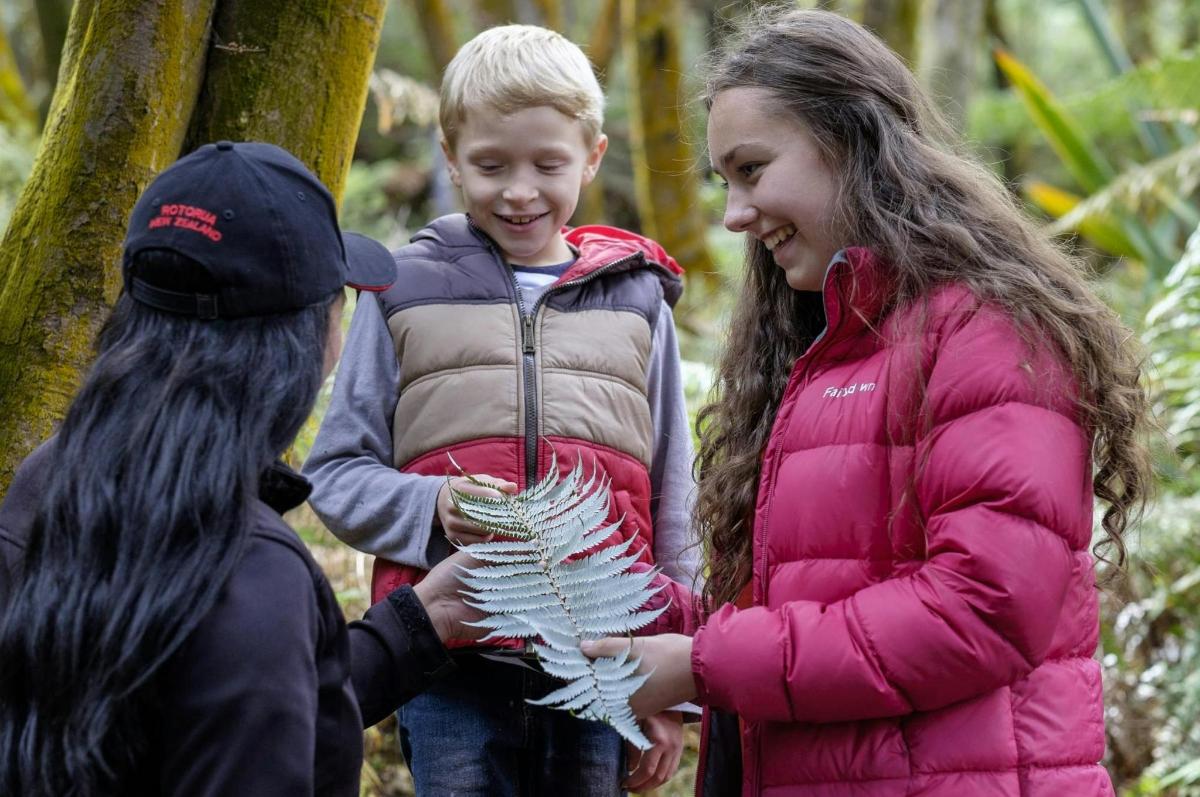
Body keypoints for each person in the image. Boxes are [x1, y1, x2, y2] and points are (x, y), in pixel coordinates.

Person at [584, 8, 1152, 796]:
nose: (734, 215)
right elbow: (822, 586)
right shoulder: (833, 342)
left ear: (851, 140)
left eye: (751, 170)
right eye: (725, 182)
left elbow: (981, 609)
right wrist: (638, 612)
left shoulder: (988, 333)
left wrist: (707, 662)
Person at [0, 141, 485, 797]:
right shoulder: (255, 573)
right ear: (301, 344)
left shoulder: (47, 483)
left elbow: (193, 700)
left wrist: (416, 627)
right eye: (337, 307)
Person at [302, 23, 697, 796]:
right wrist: (435, 505)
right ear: (450, 158)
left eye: (548, 164)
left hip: (599, 659)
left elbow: (670, 495)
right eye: (490, 166)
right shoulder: (401, 292)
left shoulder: (638, 302)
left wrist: (670, 680)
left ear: (592, 156)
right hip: (450, 664)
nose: (520, 191)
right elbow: (337, 472)